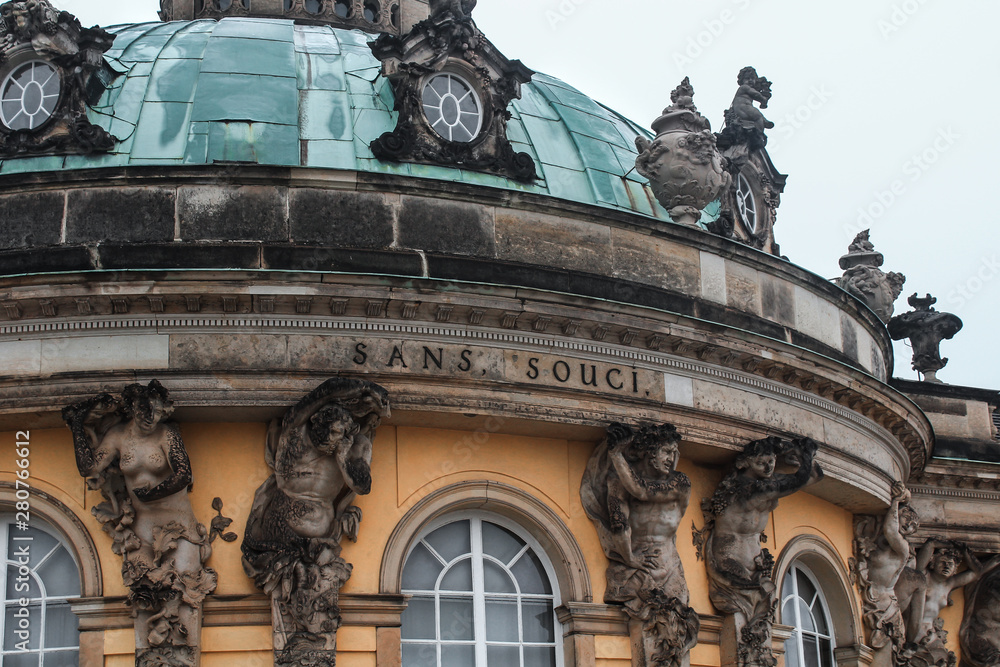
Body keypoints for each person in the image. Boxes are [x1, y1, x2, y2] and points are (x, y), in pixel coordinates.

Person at [64, 380, 215, 665]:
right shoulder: (118, 436)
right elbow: (89, 467)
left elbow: (183, 474)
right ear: (133, 407)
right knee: (145, 596)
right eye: (147, 411)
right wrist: (76, 425)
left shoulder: (167, 434)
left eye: (158, 413)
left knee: (181, 596)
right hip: (141, 530)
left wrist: (152, 493)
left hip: (179, 526)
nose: (152, 418)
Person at [700, 436, 823, 667]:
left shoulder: (766, 483)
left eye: (772, 462)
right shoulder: (746, 490)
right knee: (747, 625)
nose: (768, 468)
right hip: (730, 562)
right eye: (761, 463)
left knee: (758, 622)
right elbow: (799, 480)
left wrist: (803, 459)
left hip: (755, 567)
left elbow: (815, 476)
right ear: (744, 463)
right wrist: (804, 454)